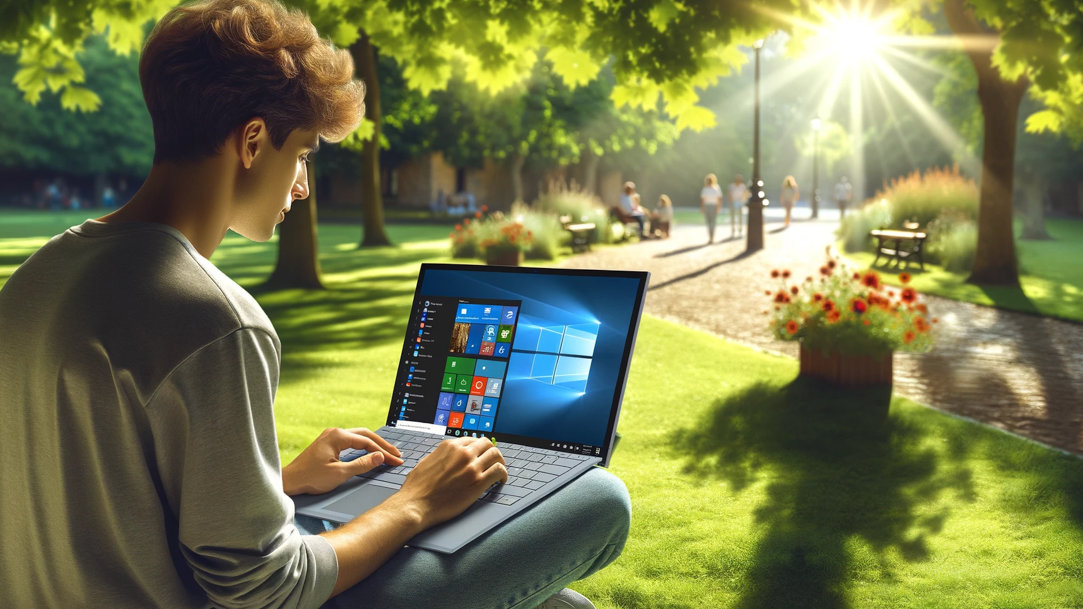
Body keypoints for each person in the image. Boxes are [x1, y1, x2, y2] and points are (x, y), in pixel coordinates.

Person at [0, 1, 630, 608]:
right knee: (598, 498)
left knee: (561, 605)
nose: (301, 186)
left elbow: (104, 502)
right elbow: (265, 591)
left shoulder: (39, 277)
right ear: (252, 141)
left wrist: (280, 483)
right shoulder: (215, 321)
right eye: (301, 153)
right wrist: (414, 502)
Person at [700, 173, 723, 243]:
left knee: (711, 222)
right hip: (708, 206)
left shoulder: (716, 188)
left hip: (713, 206)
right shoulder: (705, 189)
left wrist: (718, 207)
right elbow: (703, 199)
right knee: (709, 222)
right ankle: (711, 237)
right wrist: (702, 207)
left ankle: (711, 237)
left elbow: (719, 199)